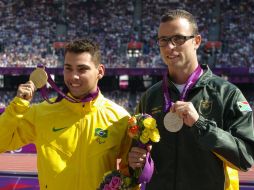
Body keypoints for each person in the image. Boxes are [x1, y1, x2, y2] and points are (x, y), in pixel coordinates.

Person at [128, 9, 254, 190]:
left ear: (196, 41)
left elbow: (246, 158)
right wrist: (135, 160)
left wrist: (201, 125)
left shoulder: (228, 94)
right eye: (163, 40)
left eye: (178, 39)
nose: (170, 47)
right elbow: (137, 156)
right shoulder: (150, 97)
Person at [0, 38, 132, 190]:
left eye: (82, 69)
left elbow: (130, 173)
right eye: (68, 68)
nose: (73, 76)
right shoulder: (41, 112)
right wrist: (17, 107)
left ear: (100, 71)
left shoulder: (120, 118)